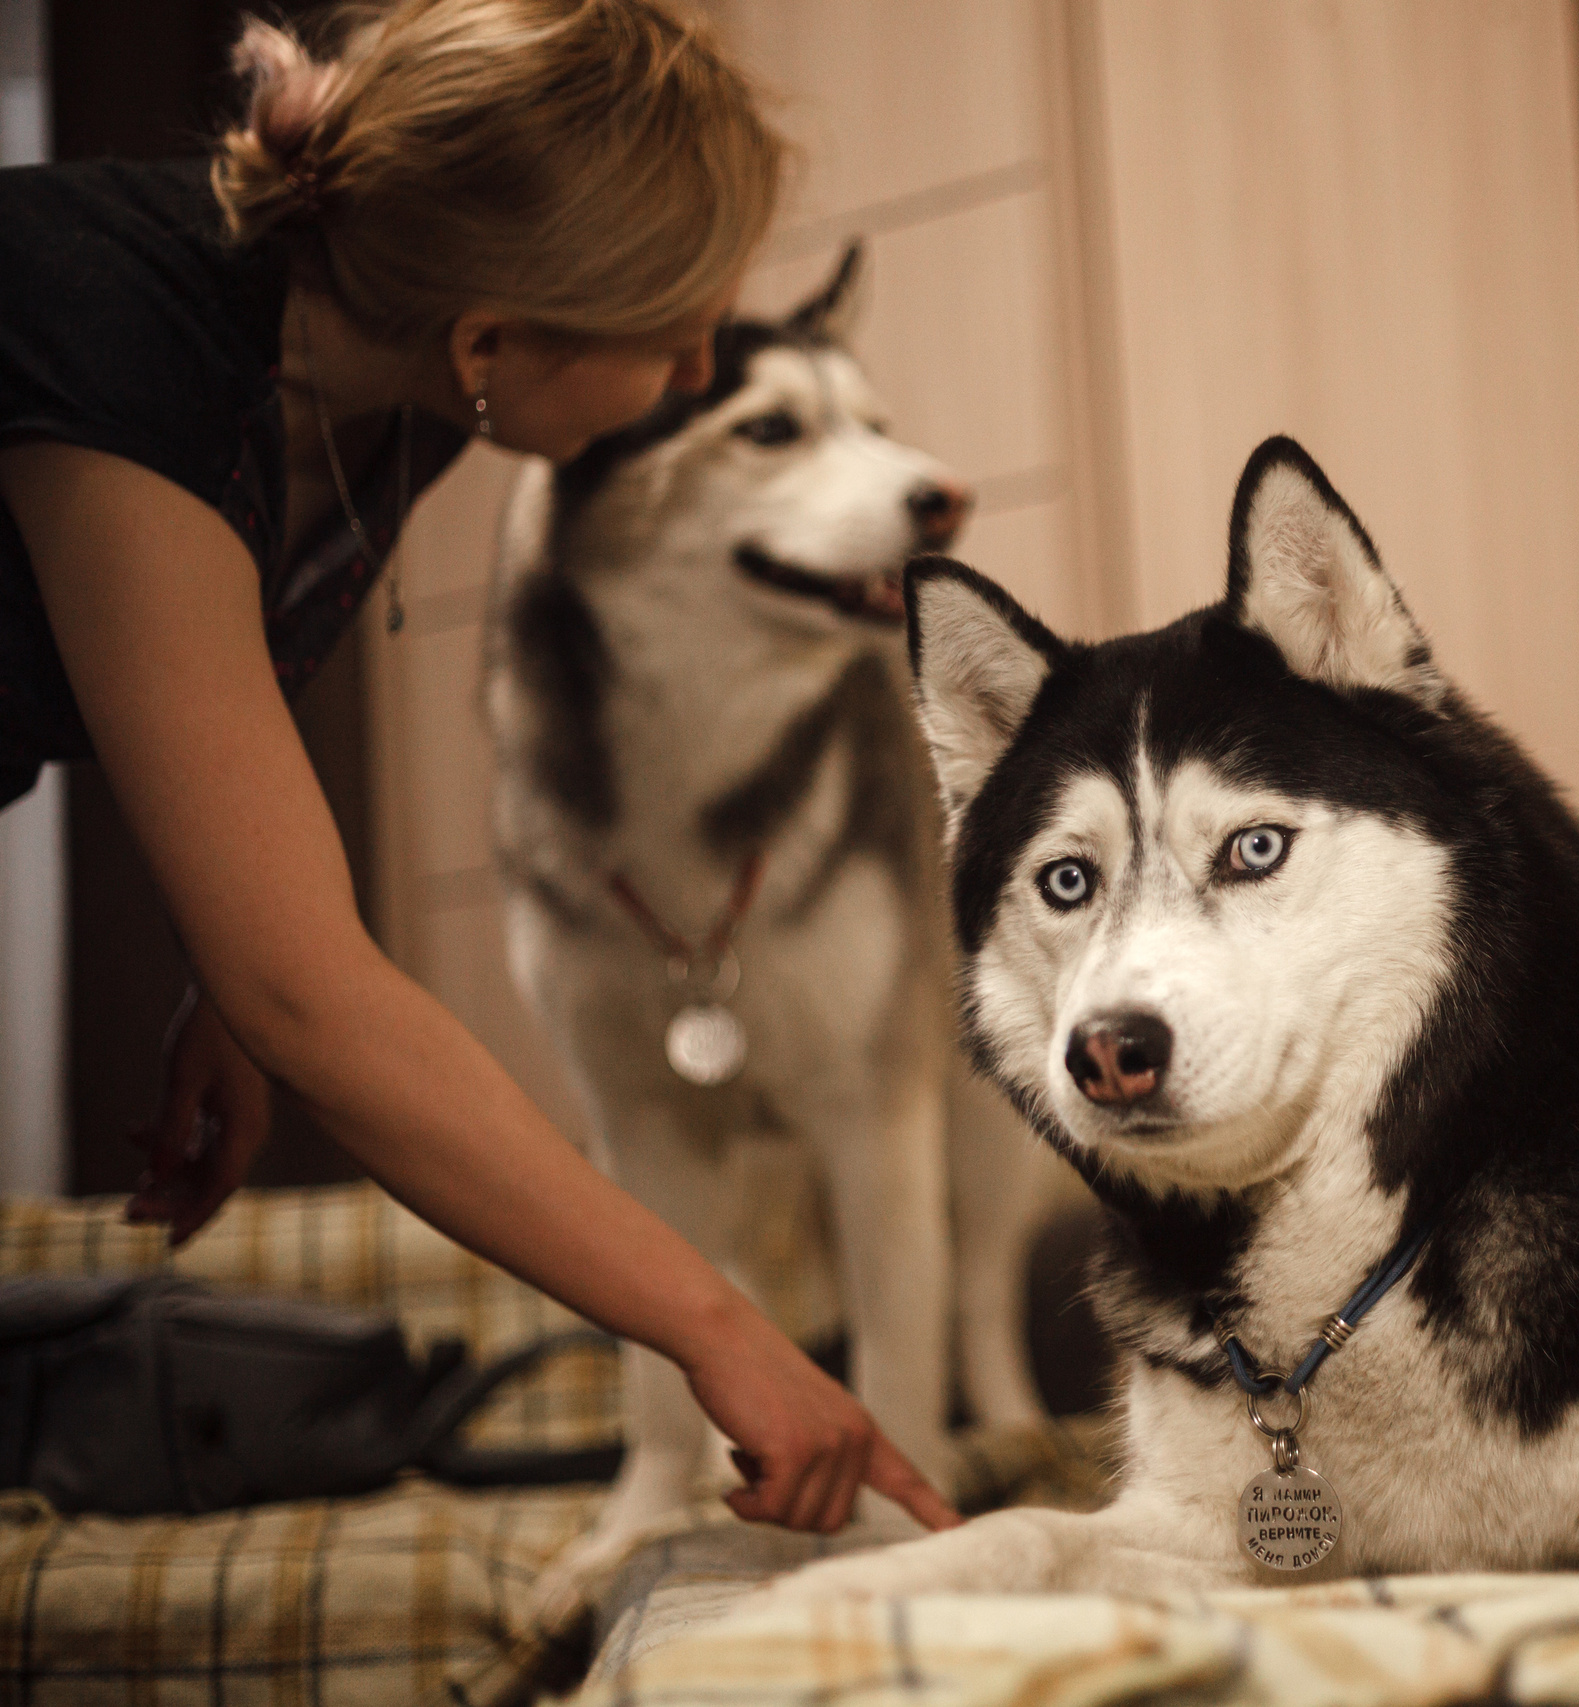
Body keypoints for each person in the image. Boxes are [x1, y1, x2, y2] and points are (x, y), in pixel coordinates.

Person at [0, 0, 959, 1538]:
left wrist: (225, 953)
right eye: (672, 340)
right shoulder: (121, 330)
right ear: (494, 344)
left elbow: (220, 705)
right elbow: (315, 993)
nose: (700, 364)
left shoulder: (417, 372)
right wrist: (720, 1328)